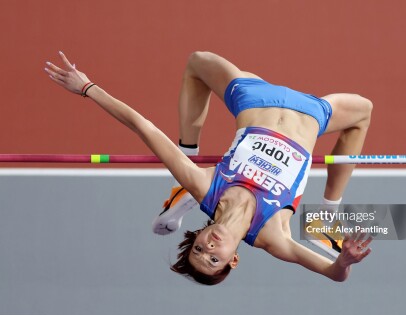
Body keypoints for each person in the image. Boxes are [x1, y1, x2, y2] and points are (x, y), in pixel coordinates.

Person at [45, 51, 373, 286]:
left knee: (197, 62)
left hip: (256, 98)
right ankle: (326, 215)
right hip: (311, 115)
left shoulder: (207, 189)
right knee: (363, 111)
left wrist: (88, 88)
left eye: (199, 248)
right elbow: (333, 274)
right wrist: (343, 262)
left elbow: (145, 128)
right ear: (234, 259)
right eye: (214, 258)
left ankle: (188, 159)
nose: (210, 247)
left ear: (198, 234)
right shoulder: (273, 236)